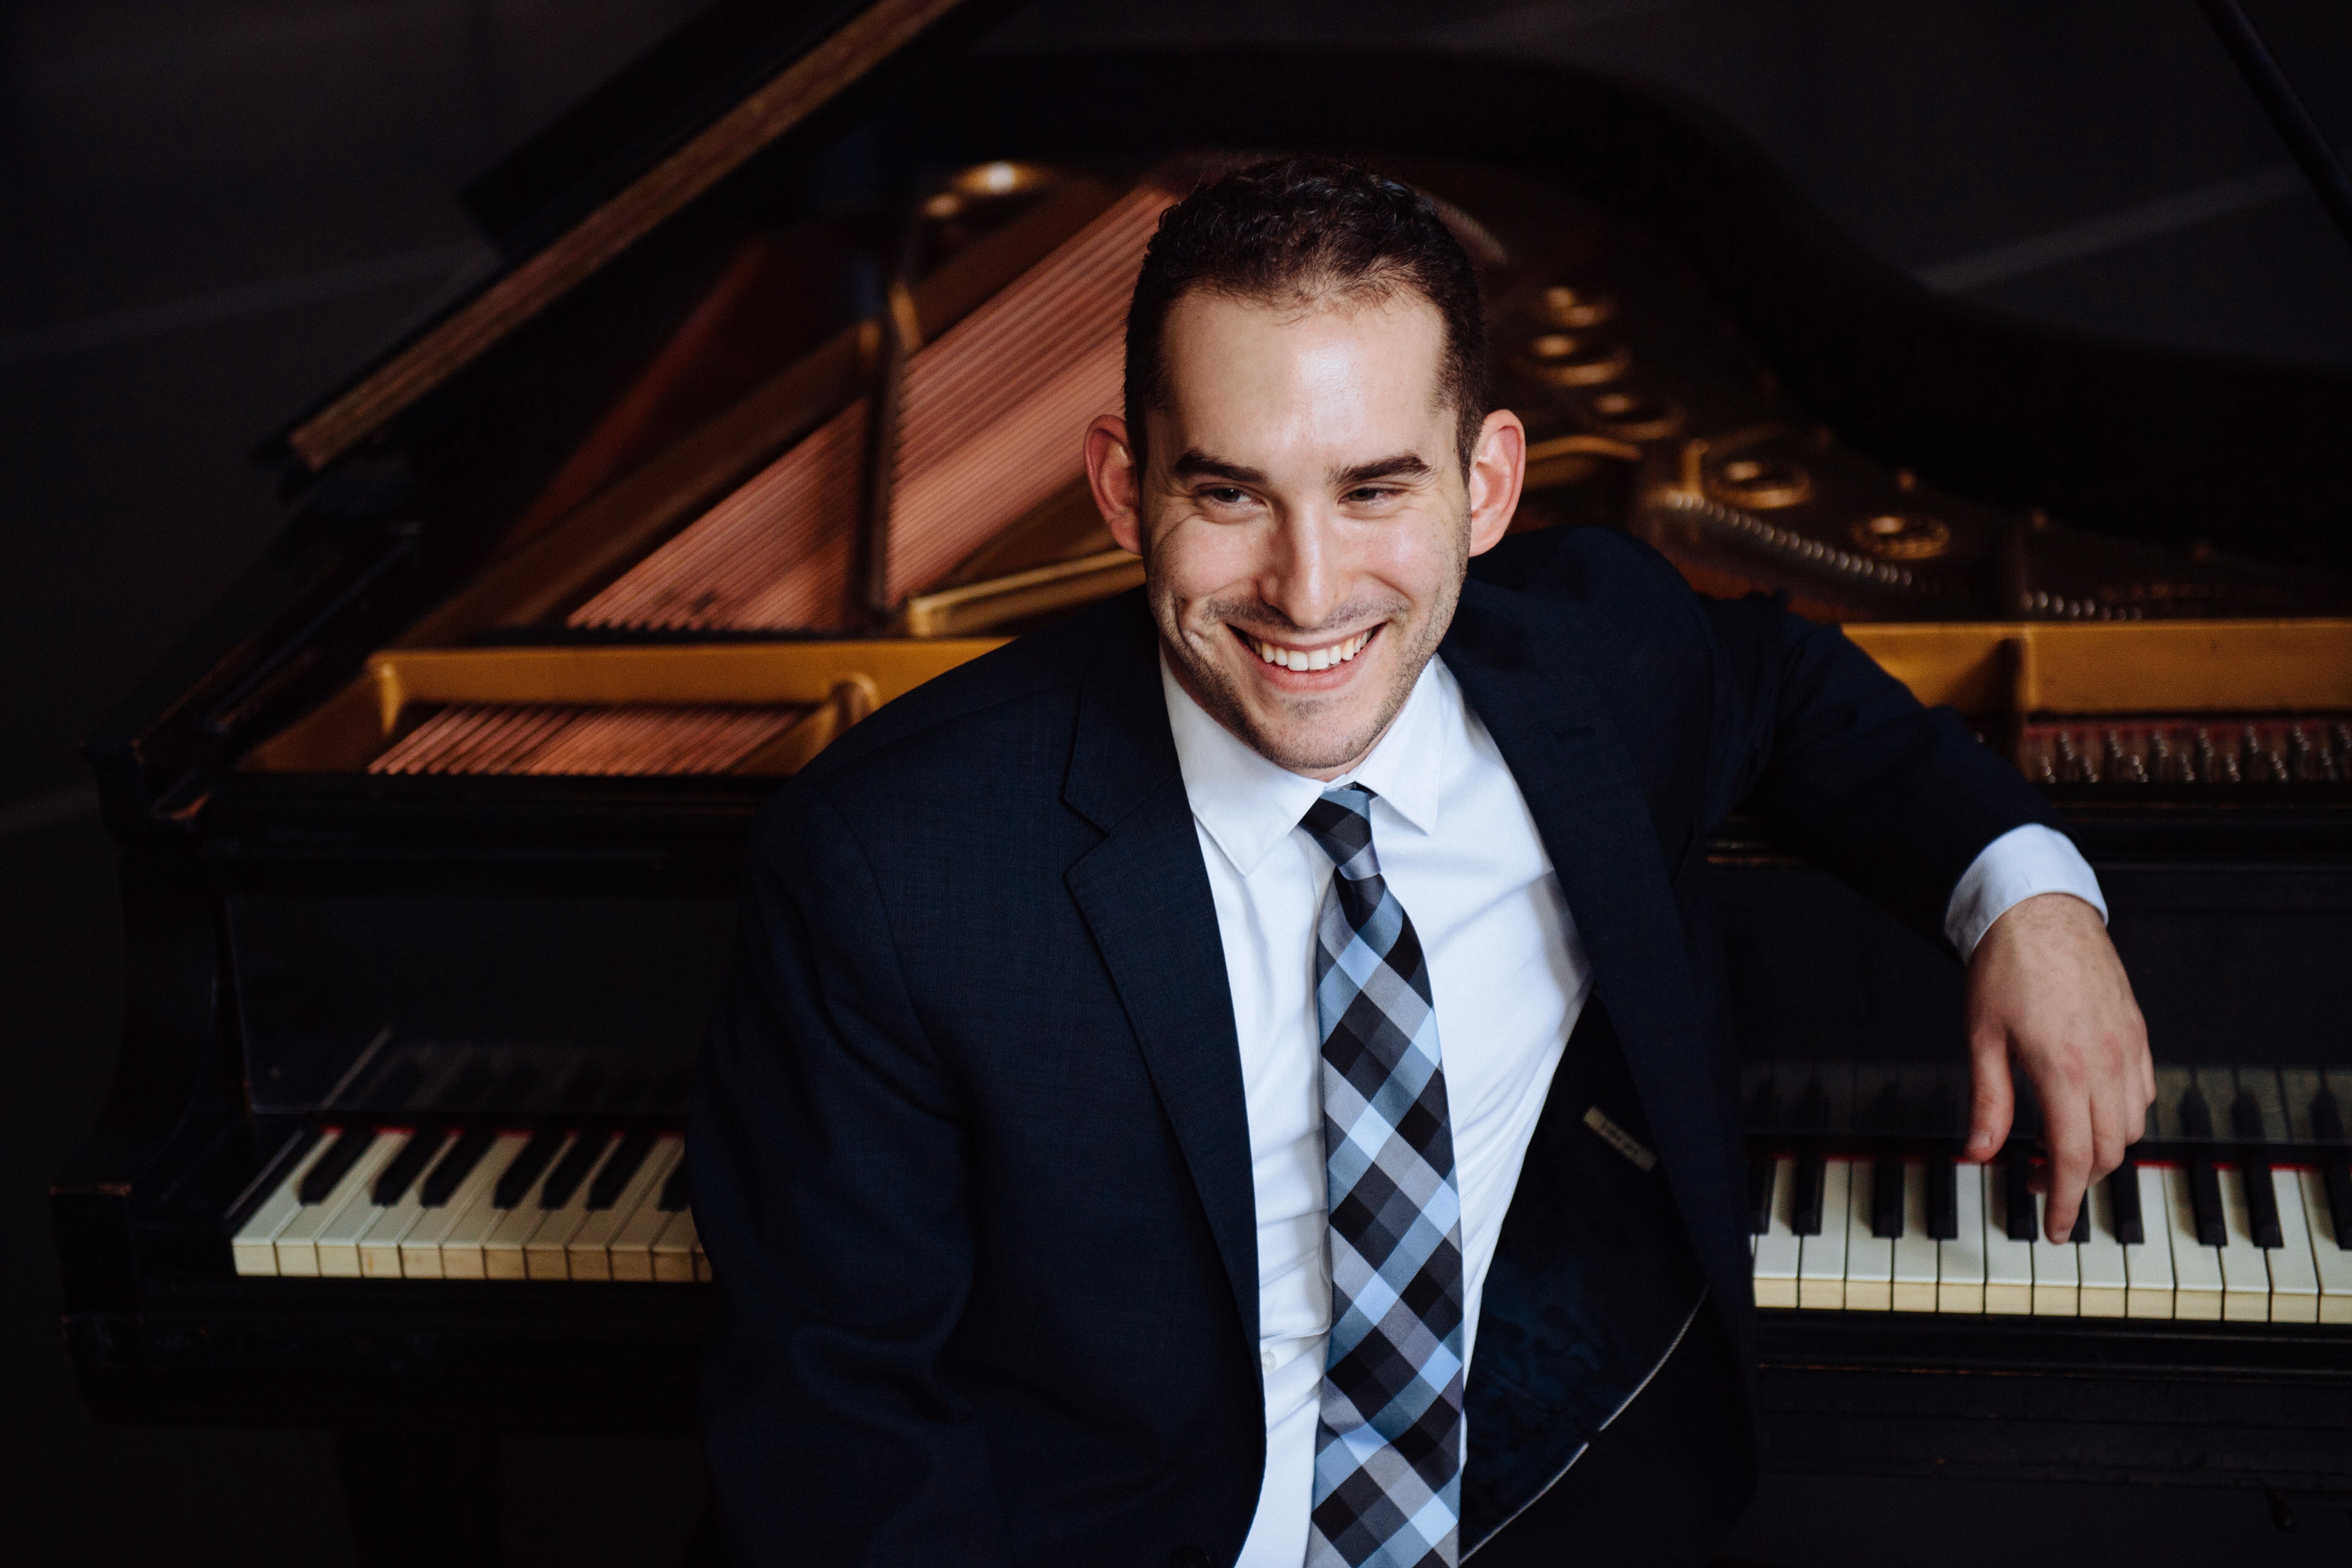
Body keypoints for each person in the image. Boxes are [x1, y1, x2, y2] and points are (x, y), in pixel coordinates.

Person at [690, 156, 2152, 1568]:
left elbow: (1782, 681)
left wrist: (2025, 893)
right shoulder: (891, 868)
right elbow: (845, 1436)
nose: (1307, 593)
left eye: (1375, 492)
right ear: (1124, 489)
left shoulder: (1604, 665)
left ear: (1490, 485)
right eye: (1230, 495)